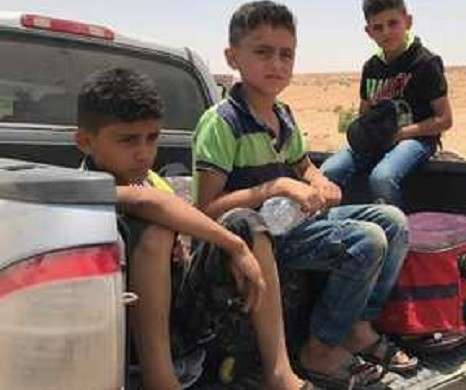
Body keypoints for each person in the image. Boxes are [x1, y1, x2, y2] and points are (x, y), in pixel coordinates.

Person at [192, 0, 416, 389]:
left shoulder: (283, 115)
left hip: (293, 223)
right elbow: (208, 210)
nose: (276, 64)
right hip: (259, 238)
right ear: (233, 57)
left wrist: (319, 182)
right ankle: (321, 349)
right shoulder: (222, 123)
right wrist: (276, 187)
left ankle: (358, 327)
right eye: (263, 52)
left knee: (393, 221)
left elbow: (304, 166)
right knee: (366, 240)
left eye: (286, 55)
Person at [74, 68, 307, 390]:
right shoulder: (84, 188)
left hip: (180, 321)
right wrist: (235, 247)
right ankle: (161, 380)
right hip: (126, 336)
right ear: (85, 141)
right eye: (128, 140)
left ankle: (279, 372)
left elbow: (173, 215)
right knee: (157, 232)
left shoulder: (148, 179)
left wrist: (235, 243)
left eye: (152, 138)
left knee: (245, 223)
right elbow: (151, 204)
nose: (144, 153)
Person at [320, 0, 453, 207]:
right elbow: (364, 114)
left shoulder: (425, 62)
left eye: (393, 23)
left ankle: (394, 225)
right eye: (378, 27)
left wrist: (398, 134)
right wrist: (365, 134)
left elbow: (444, 119)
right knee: (327, 172)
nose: (386, 32)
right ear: (369, 32)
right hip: (378, 140)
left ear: (407, 21)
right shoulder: (371, 67)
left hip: (417, 139)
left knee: (382, 178)